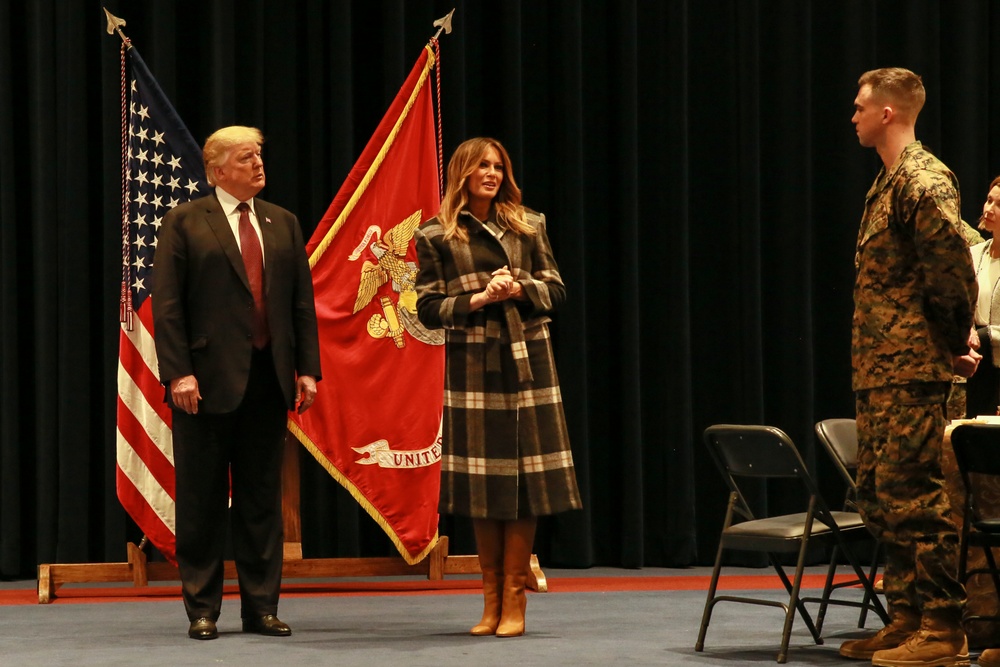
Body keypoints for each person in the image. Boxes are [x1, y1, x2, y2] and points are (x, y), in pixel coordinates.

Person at [152, 126, 321, 640]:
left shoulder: (282, 223)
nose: (258, 164)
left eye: (260, 155)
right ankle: (203, 609)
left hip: (268, 381)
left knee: (261, 500)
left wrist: (308, 369)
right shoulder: (185, 221)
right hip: (202, 384)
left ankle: (260, 608)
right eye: (247, 157)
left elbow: (300, 305)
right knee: (202, 501)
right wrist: (179, 371)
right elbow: (169, 305)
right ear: (218, 169)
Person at [414, 137, 582, 638]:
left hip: (529, 360)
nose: (491, 172)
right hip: (473, 365)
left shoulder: (528, 223)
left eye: (497, 165)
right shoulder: (435, 234)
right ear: (462, 172)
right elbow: (426, 308)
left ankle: (514, 598)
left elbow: (555, 290)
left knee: (525, 484)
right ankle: (489, 601)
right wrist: (478, 297)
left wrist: (521, 288)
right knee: (483, 487)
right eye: (482, 165)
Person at [839, 68, 980, 667]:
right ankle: (906, 617)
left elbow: (950, 272)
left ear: (888, 114)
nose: (854, 116)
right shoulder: (885, 182)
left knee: (922, 499)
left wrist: (952, 346)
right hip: (880, 370)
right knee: (882, 496)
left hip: (918, 369)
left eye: (860, 107)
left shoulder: (923, 180)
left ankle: (944, 628)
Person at [965, 176, 1000, 418]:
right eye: (989, 200)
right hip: (974, 372)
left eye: (999, 205)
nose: (989, 209)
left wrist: (986, 336)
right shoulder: (973, 254)